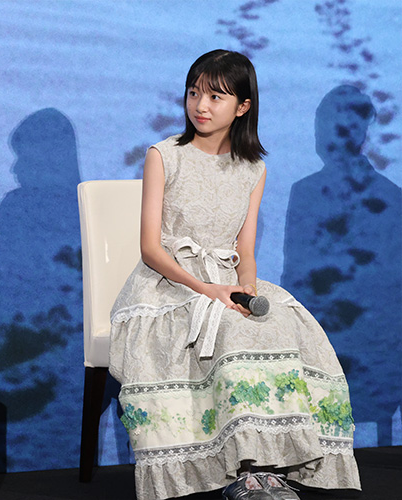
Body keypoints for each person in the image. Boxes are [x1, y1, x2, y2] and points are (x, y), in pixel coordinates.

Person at [109, 50, 361, 499]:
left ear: (243, 106)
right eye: (194, 93)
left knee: (281, 323)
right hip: (168, 286)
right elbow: (150, 249)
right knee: (232, 329)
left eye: (215, 97)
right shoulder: (164, 155)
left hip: (226, 282)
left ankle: (270, 465)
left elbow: (245, 249)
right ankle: (243, 473)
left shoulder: (253, 168)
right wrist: (206, 289)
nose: (200, 106)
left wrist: (245, 288)